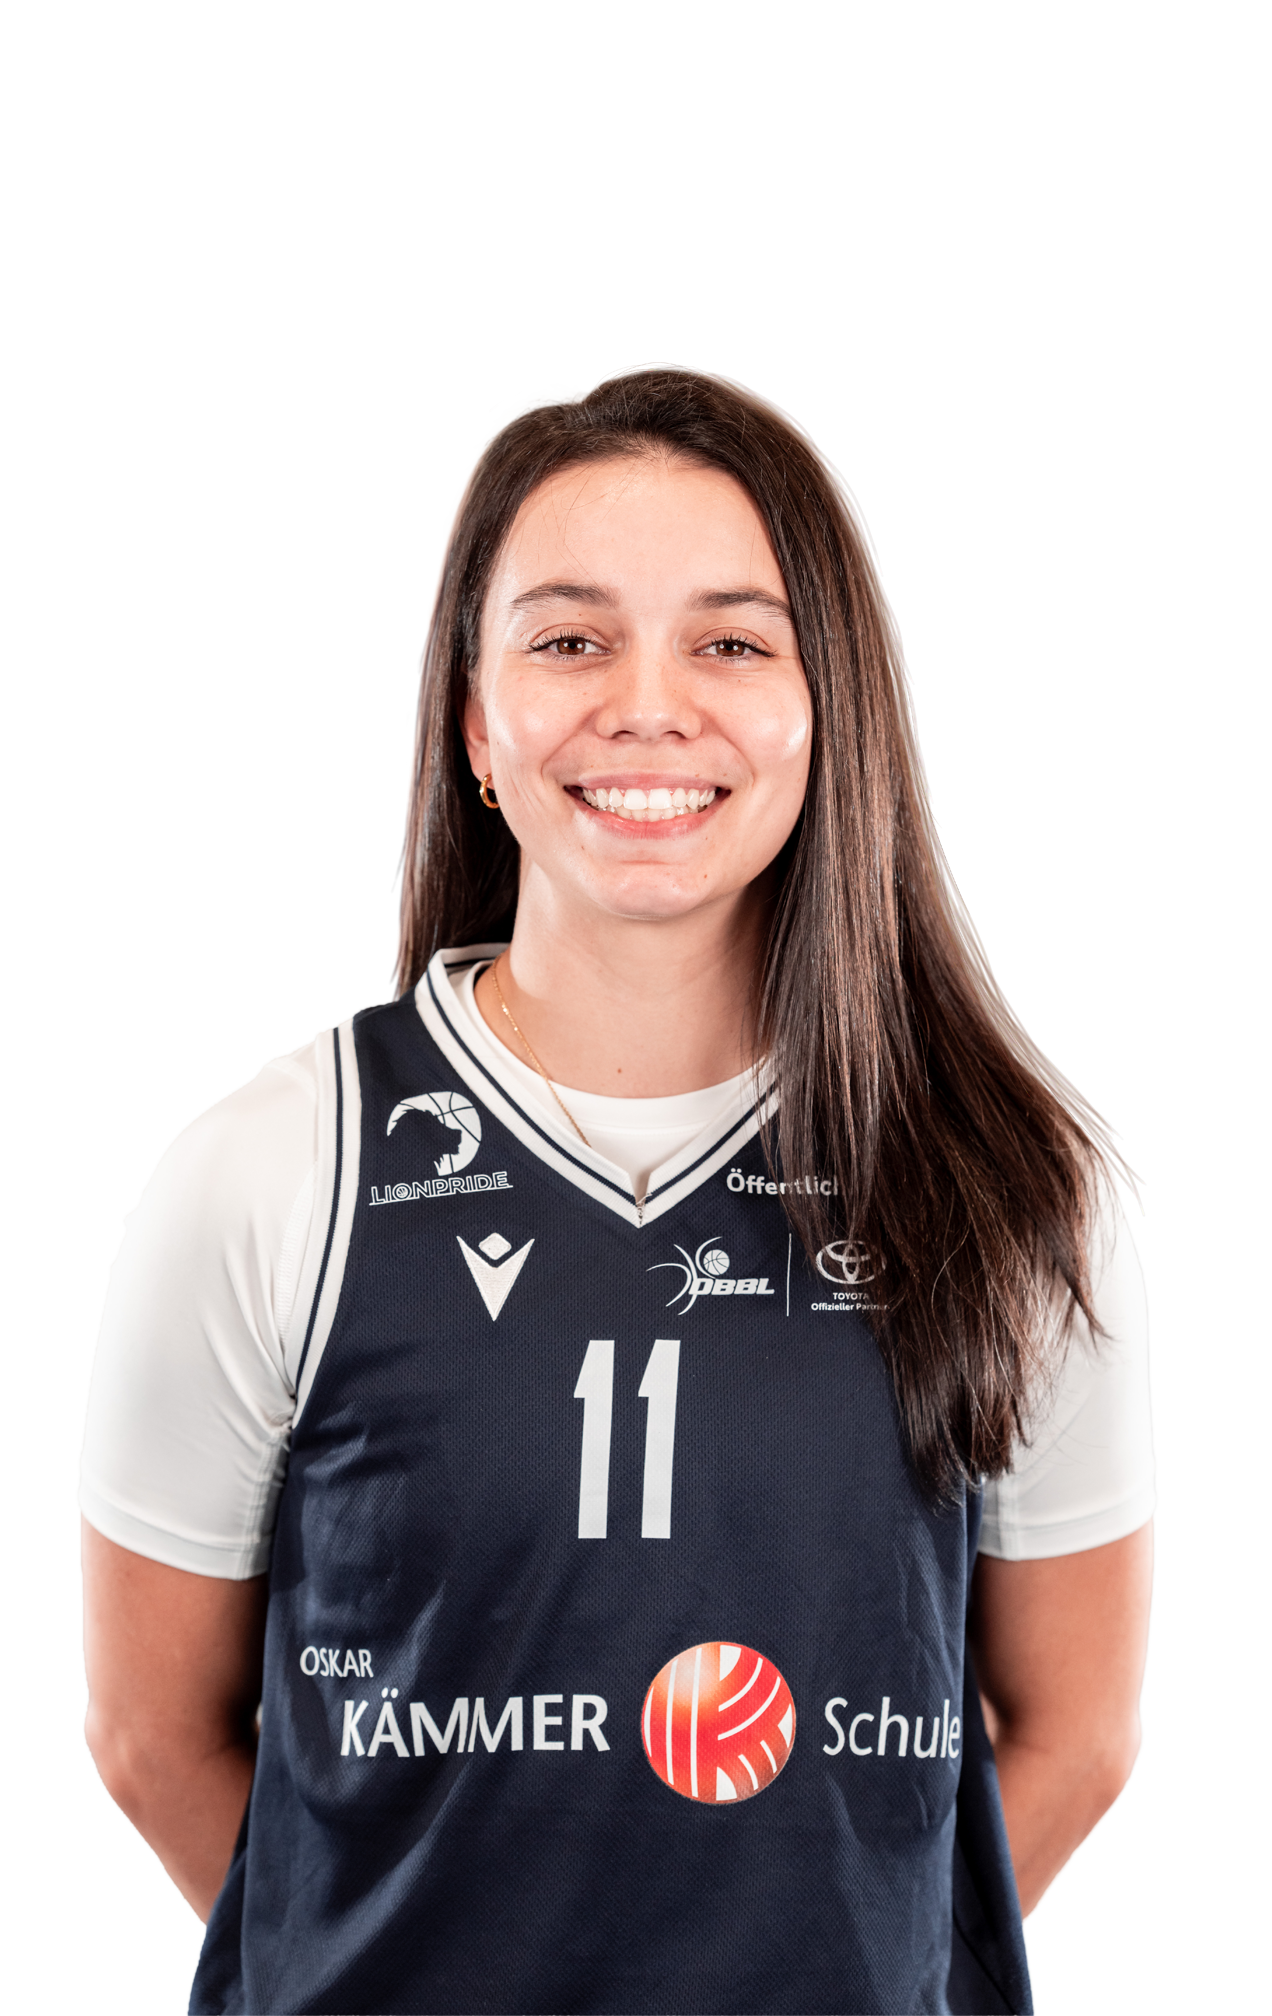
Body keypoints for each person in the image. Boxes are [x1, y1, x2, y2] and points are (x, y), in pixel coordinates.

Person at [78, 364, 1157, 2016]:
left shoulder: (1014, 1198)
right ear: (474, 720)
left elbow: (1074, 1737)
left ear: (832, 709)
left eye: (733, 643)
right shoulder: (269, 1177)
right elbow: (154, 1739)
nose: (648, 706)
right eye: (570, 640)